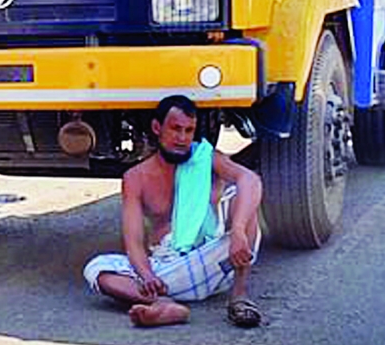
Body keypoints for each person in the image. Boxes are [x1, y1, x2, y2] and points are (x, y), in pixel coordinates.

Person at [83, 95, 264, 328]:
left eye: (189, 131)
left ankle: (239, 297)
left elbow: (250, 179)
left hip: (213, 261)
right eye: (176, 129)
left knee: (244, 201)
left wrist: (237, 231)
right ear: (157, 128)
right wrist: (147, 276)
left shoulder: (205, 158)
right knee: (96, 269)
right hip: (166, 271)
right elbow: (134, 241)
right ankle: (164, 304)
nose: (183, 138)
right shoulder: (135, 178)